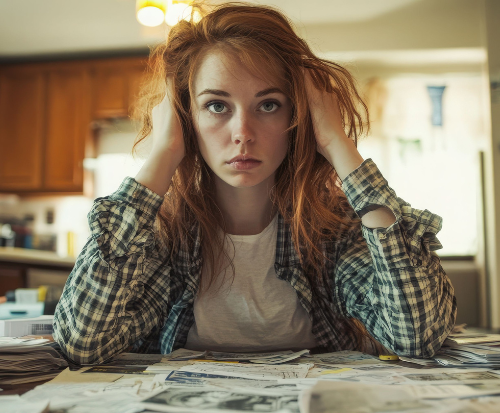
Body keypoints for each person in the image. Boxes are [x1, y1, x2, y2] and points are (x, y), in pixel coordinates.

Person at [53, 2, 457, 365]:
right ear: (185, 119)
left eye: (268, 105)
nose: (242, 132)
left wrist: (338, 143)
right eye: (216, 106)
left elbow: (416, 338)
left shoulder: (335, 230)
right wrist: (162, 155)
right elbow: (82, 342)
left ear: (298, 118)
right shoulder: (159, 234)